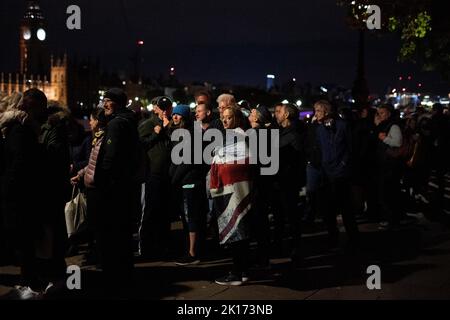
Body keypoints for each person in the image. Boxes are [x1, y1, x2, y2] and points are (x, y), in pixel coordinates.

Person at [0, 90, 49, 299]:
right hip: (19, 195)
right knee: (23, 241)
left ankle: (29, 281)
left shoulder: (20, 129)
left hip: (18, 194)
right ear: (30, 106)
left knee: (24, 240)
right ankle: (28, 283)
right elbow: (19, 166)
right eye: (41, 106)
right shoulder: (21, 132)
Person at [94, 88, 140, 292]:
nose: (104, 104)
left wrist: (100, 180)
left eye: (108, 101)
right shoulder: (128, 120)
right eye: (104, 100)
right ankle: (124, 272)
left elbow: (110, 158)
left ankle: (113, 277)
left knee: (111, 232)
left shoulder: (116, 124)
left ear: (119, 103)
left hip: (113, 188)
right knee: (122, 232)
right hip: (126, 185)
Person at [212, 106, 252, 286]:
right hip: (229, 189)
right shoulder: (229, 137)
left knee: (236, 231)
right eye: (223, 117)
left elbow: (245, 162)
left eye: (228, 117)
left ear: (236, 118)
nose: (224, 120)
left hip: (235, 190)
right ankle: (242, 270)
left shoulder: (240, 137)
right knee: (238, 232)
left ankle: (237, 273)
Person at [313, 100, 359, 248]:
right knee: (329, 209)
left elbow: (350, 148)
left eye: (318, 111)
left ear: (326, 112)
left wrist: (344, 164)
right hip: (327, 173)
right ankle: (333, 238)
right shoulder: (319, 129)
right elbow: (320, 149)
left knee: (346, 209)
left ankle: (353, 239)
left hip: (342, 173)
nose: (315, 114)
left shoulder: (343, 126)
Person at [168, 105, 209, 265]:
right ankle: (193, 250)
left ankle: (193, 253)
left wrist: (174, 179)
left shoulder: (190, 134)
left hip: (189, 181)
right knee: (189, 217)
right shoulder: (184, 132)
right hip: (185, 180)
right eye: (174, 114)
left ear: (185, 117)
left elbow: (186, 161)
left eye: (178, 115)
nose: (175, 117)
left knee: (191, 217)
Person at [70, 107, 107, 265]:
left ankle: (99, 255)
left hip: (96, 185)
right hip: (91, 182)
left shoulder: (101, 138)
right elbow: (92, 161)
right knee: (94, 223)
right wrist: (81, 173)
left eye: (92, 119)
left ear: (98, 121)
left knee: (97, 223)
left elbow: (95, 161)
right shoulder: (96, 137)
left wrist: (80, 172)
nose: (89, 122)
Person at [138, 96, 173, 258]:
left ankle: (163, 245)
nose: (165, 111)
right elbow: (140, 145)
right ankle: (146, 247)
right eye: (162, 107)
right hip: (153, 174)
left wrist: (168, 129)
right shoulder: (148, 124)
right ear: (155, 108)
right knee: (151, 212)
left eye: (168, 108)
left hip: (167, 174)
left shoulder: (171, 125)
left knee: (165, 212)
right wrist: (156, 134)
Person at [273, 103, 305, 260]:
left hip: (288, 181)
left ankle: (296, 247)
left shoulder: (294, 134)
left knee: (291, 216)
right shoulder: (283, 131)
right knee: (280, 216)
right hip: (280, 180)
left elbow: (297, 159)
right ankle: (280, 246)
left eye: (279, 112)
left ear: (286, 116)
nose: (276, 114)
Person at [373, 104, 403, 229]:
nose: (380, 115)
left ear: (389, 113)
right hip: (384, 164)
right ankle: (390, 219)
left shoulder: (393, 126)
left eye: (383, 113)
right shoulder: (383, 125)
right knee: (385, 193)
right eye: (378, 113)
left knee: (388, 193)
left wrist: (385, 138)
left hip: (390, 165)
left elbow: (398, 142)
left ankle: (392, 221)